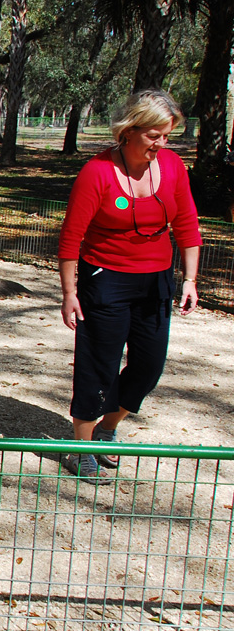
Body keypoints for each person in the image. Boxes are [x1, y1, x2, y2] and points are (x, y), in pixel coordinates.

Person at [57, 89, 202, 480]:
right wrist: (70, 293)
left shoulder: (172, 167)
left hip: (156, 281)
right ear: (129, 130)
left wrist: (189, 279)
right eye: (154, 135)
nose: (161, 144)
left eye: (167, 136)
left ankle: (108, 428)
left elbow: (187, 224)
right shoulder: (98, 171)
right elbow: (72, 236)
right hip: (104, 279)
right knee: (98, 367)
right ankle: (80, 448)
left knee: (148, 367)